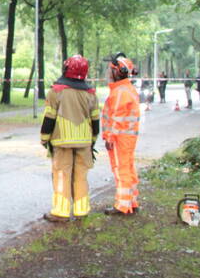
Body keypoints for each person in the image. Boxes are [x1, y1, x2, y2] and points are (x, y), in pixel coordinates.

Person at [39, 54, 100, 222]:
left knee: (61, 175)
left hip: (61, 140)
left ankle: (60, 212)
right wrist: (92, 140)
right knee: (81, 176)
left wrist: (44, 138)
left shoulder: (56, 91)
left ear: (66, 69)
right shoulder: (91, 93)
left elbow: (49, 118)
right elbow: (95, 120)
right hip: (84, 141)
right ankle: (81, 211)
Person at [102, 53, 142, 215]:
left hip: (120, 138)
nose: (107, 73)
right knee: (128, 167)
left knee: (121, 169)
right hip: (127, 137)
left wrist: (110, 137)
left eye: (109, 70)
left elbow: (117, 117)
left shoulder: (120, 92)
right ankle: (131, 201)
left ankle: (122, 205)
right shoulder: (127, 89)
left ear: (116, 72)